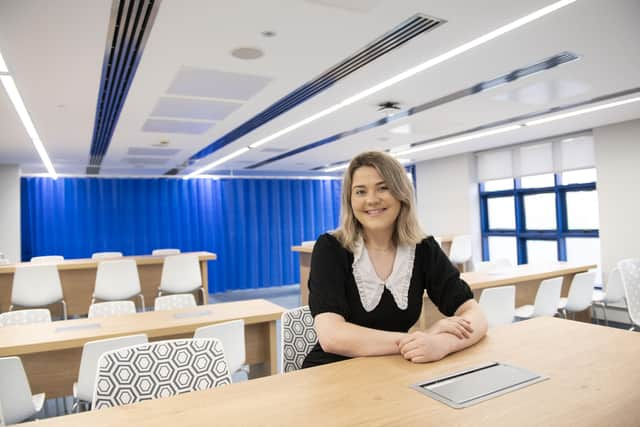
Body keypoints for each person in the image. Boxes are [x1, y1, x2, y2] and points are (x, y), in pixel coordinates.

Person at [302, 151, 487, 368]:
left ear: (402, 194)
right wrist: (419, 338)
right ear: (350, 201)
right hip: (332, 371)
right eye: (360, 191)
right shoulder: (331, 248)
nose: (371, 200)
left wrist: (442, 344)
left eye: (383, 187)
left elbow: (476, 315)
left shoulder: (422, 248)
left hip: (394, 368)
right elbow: (332, 336)